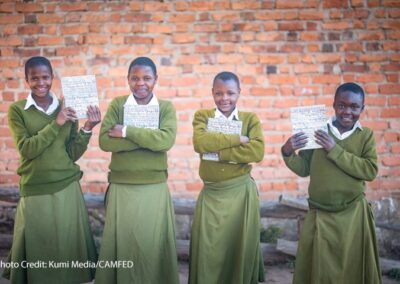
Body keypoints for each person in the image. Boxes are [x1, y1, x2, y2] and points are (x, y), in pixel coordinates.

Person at [3, 56, 100, 283]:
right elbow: (27, 149)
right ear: (26, 80)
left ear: (52, 77)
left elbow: (71, 154)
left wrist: (87, 128)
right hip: (35, 186)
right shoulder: (17, 110)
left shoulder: (68, 106)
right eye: (34, 78)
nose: (40, 82)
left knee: (67, 251)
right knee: (40, 252)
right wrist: (56, 123)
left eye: (45, 77)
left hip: (67, 186)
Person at [281, 82, 381, 284]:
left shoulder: (365, 136)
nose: (347, 112)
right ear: (333, 105)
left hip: (353, 213)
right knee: (320, 270)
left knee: (352, 266)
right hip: (320, 213)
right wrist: (287, 151)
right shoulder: (317, 131)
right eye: (342, 105)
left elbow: (370, 171)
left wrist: (335, 150)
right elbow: (304, 168)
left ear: (362, 109)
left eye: (354, 107)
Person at [96, 57, 179, 283]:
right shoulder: (117, 105)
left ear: (156, 80)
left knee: (150, 246)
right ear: (128, 80)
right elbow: (105, 142)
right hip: (122, 187)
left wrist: (126, 132)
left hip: (153, 187)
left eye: (146, 78)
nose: (140, 83)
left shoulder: (165, 108)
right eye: (134, 78)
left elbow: (165, 141)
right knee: (123, 243)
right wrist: (149, 138)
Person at [189, 71, 265, 284]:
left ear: (239, 93)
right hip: (212, 193)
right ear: (212, 93)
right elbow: (200, 143)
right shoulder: (203, 116)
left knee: (236, 245)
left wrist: (218, 154)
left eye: (231, 93)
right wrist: (238, 139)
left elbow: (256, 152)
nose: (225, 98)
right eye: (219, 93)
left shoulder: (250, 119)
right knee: (208, 246)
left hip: (240, 194)